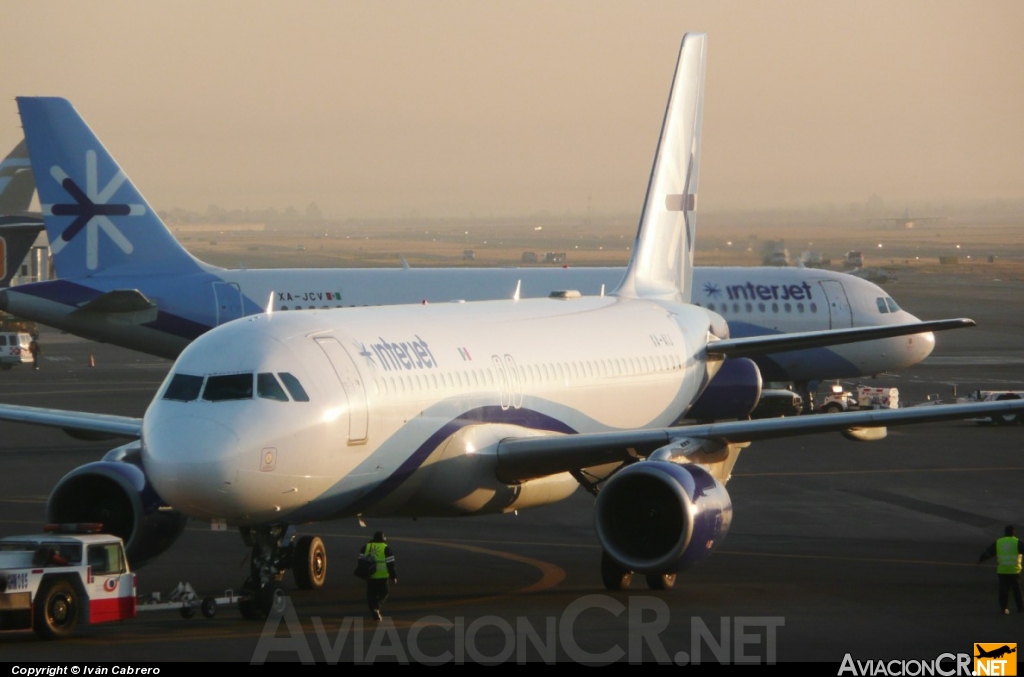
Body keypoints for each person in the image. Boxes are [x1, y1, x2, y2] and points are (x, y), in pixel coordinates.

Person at [978, 524, 1024, 614]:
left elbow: (989, 552)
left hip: (1002, 571)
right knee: (1017, 590)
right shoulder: (1017, 542)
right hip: (1014, 571)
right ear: (1013, 532)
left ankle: (1004, 608)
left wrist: (981, 559)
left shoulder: (999, 542)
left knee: (1003, 591)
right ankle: (1020, 608)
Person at [361, 530, 397, 621]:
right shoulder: (386, 548)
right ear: (383, 539)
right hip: (383, 577)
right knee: (385, 593)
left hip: (371, 577)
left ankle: (373, 610)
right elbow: (390, 564)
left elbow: (361, 560)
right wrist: (394, 577)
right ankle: (376, 607)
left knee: (371, 595)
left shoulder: (367, 547)